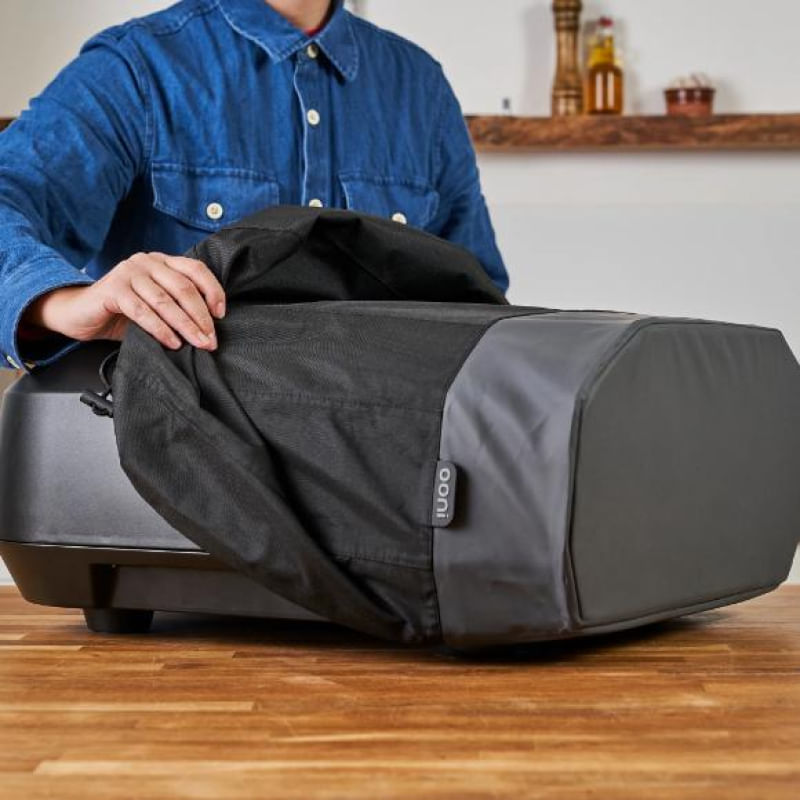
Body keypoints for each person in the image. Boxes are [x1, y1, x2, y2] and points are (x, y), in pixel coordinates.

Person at [0, 0, 507, 372]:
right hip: (176, 463)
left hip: (386, 465)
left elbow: (477, 303)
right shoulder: (136, 67)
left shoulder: (421, 88)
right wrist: (62, 300)